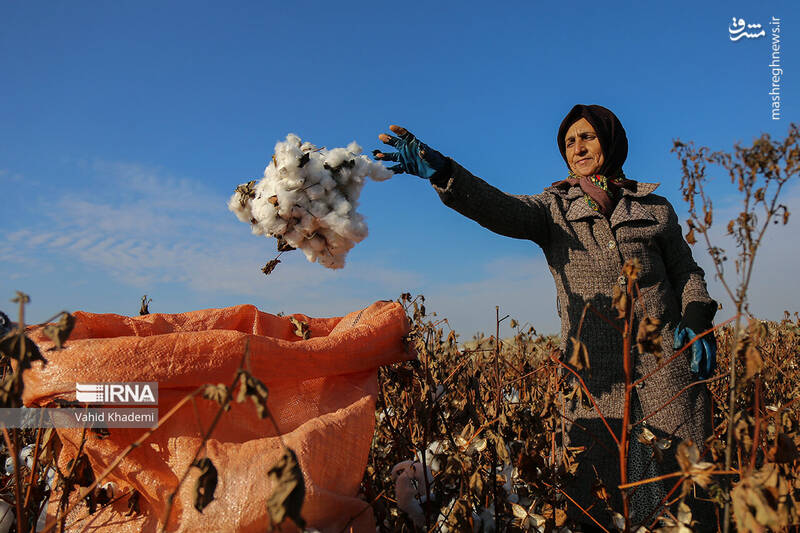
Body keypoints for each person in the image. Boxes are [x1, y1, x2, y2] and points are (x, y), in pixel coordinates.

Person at [374, 105, 718, 531]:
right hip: (594, 382)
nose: (578, 148)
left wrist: (697, 314)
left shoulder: (654, 208)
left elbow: (685, 272)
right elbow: (499, 207)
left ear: (611, 142)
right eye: (570, 142)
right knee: (600, 501)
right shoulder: (553, 208)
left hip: (667, 370)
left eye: (587, 137)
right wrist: (445, 172)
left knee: (681, 493)